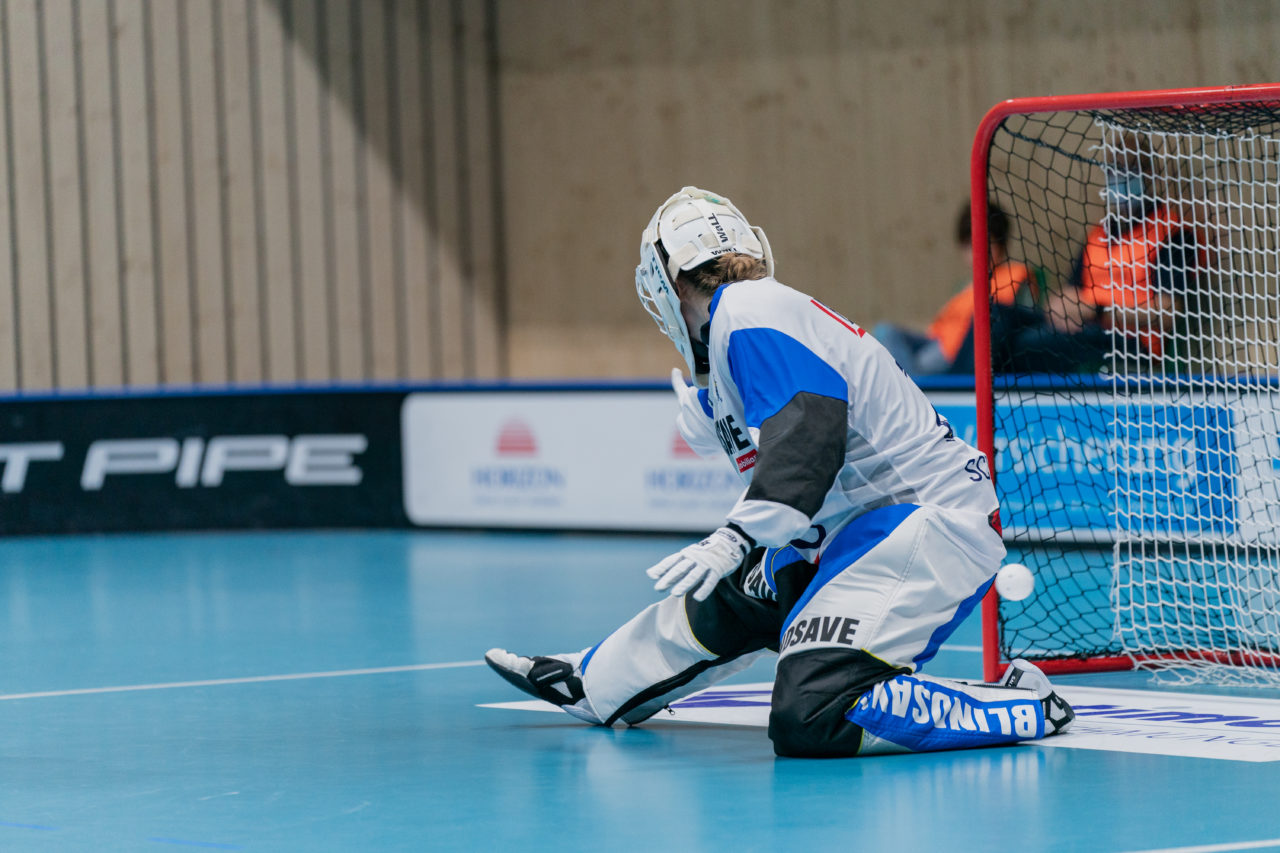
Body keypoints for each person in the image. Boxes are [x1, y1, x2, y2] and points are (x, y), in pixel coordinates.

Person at [485, 186, 1074, 758]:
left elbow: (808, 439)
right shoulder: (742, 328)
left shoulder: (749, 310)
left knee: (814, 714)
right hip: (856, 529)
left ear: (668, 280)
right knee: (736, 593)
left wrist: (734, 535)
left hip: (928, 523)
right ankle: (596, 681)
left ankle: (1025, 704)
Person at [994, 141, 1202, 375]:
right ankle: (958, 389)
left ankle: (967, 395)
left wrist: (1098, 311)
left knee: (1023, 346)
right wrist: (1065, 309)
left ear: (1147, 176)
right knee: (998, 316)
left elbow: (1168, 312)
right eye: (1113, 171)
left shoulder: (1170, 233)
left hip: (1130, 341)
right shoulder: (1099, 234)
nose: (1119, 179)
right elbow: (1067, 293)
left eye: (1128, 171)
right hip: (1082, 327)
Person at [873, 202, 1037, 377]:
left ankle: (914, 389)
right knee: (885, 332)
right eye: (970, 245)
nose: (977, 251)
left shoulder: (1016, 275)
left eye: (986, 243)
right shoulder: (965, 287)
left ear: (1001, 245)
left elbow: (1019, 324)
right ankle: (912, 385)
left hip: (959, 354)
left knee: (917, 364)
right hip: (935, 343)